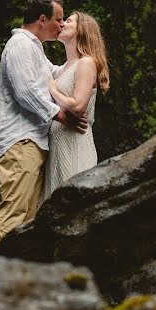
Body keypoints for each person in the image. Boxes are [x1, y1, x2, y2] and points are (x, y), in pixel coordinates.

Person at [0, 0, 86, 251]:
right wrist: (61, 115)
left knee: (28, 219)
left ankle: (16, 279)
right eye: (59, 19)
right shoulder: (20, 45)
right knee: (14, 214)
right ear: (42, 19)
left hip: (31, 141)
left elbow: (56, 74)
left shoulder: (34, 48)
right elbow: (26, 92)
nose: (62, 24)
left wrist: (84, 62)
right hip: (19, 140)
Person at [43, 11, 110, 200]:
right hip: (59, 148)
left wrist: (53, 90)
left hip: (75, 146)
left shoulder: (86, 63)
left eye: (68, 21)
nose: (62, 24)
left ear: (82, 29)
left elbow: (79, 105)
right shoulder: (63, 67)